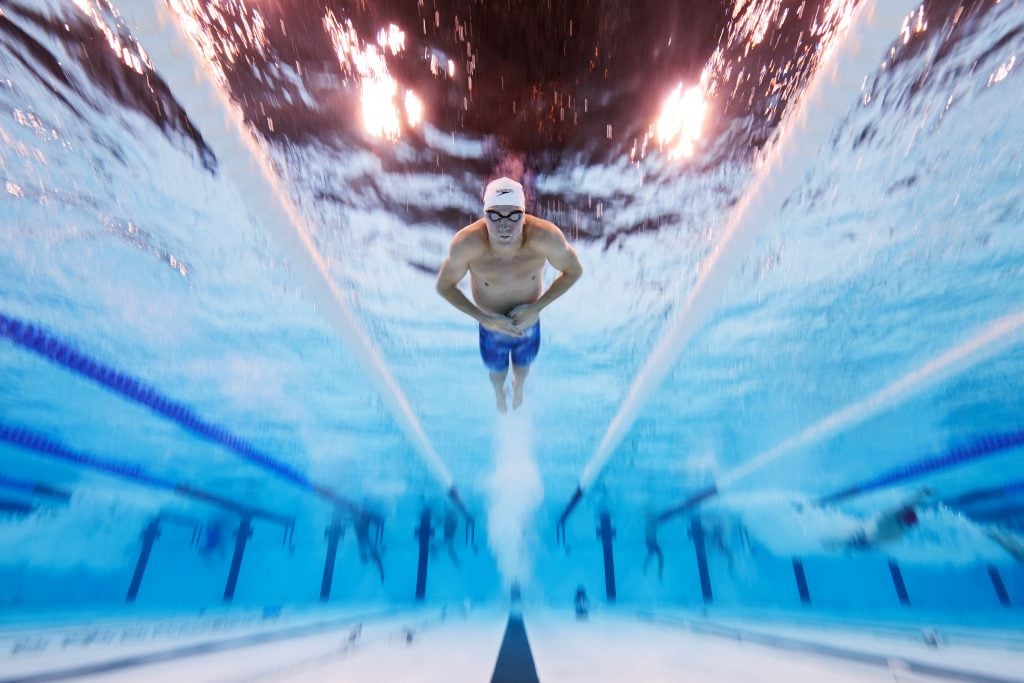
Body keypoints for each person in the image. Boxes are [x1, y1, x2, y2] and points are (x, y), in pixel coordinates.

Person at [436, 177, 583, 412]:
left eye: (514, 215)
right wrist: (484, 319)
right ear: (484, 215)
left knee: (522, 367)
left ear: (524, 215)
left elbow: (574, 270)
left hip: (528, 323)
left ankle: (519, 387)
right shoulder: (467, 244)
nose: (504, 225)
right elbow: (444, 286)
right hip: (490, 327)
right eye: (494, 215)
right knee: (496, 371)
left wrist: (536, 308)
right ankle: (499, 393)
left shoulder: (545, 237)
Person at [843, 487, 933, 549]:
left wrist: (922, 494)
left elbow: (905, 505)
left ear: (903, 518)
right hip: (871, 540)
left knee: (846, 541)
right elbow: (908, 506)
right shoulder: (900, 530)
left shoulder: (890, 518)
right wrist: (921, 494)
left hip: (864, 538)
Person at [354, 512, 385, 583]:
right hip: (363, 539)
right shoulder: (361, 517)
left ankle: (375, 557)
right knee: (369, 555)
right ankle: (374, 557)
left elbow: (375, 520)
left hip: (364, 539)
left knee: (371, 554)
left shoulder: (364, 517)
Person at [643, 514, 665, 580]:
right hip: (651, 542)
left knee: (657, 555)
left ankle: (659, 573)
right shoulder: (650, 522)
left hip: (651, 542)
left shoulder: (652, 522)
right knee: (654, 555)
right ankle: (645, 567)